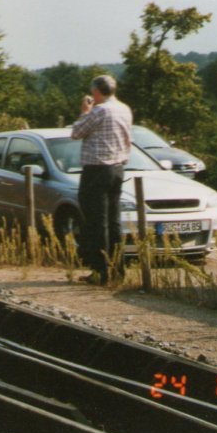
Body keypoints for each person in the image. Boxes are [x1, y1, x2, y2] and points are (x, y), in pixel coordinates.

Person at [70, 75, 133, 284]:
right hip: (117, 168)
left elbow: (76, 133)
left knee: (96, 222)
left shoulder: (99, 110)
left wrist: (84, 111)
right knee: (113, 221)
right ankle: (118, 269)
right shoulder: (124, 109)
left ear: (97, 91)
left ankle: (100, 271)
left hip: (97, 169)